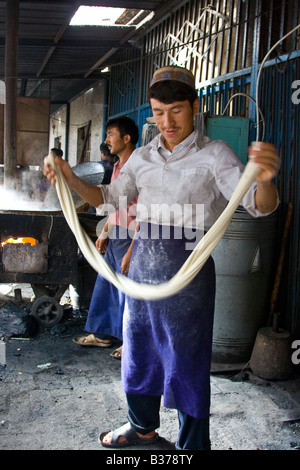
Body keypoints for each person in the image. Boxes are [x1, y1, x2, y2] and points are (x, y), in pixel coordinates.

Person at [44, 66, 280, 450]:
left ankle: (192, 445)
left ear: (194, 107)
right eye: (158, 112)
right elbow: (108, 199)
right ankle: (142, 429)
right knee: (138, 351)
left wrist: (265, 178)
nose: (166, 121)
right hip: (141, 270)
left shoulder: (214, 155)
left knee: (186, 358)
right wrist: (69, 177)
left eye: (176, 110)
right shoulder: (141, 157)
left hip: (188, 270)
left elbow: (259, 207)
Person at [73, 117, 139, 360]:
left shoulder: (139, 167)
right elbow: (114, 204)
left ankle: (132, 342)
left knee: (129, 290)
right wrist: (104, 233)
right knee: (107, 282)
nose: (106, 140)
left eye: (111, 134)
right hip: (117, 233)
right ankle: (102, 334)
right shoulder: (118, 167)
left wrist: (133, 249)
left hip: (133, 235)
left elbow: (146, 213)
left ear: (126, 138)